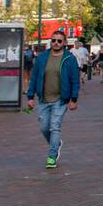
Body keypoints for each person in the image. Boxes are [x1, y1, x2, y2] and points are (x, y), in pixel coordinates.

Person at [25, 30, 80, 170]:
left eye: (59, 41)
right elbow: (34, 78)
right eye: (53, 40)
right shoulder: (42, 57)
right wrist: (30, 97)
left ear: (65, 43)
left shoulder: (69, 59)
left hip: (60, 100)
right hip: (43, 99)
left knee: (54, 126)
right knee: (44, 127)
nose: (56, 43)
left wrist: (74, 99)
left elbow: (75, 80)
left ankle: (52, 156)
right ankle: (56, 144)